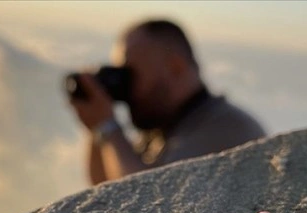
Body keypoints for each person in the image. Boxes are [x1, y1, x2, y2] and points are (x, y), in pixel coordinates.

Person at [68, 18, 266, 185]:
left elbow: (142, 199)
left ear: (175, 67)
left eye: (131, 74)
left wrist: (109, 127)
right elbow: (104, 189)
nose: (127, 88)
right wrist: (97, 129)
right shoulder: (164, 129)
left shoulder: (228, 128)